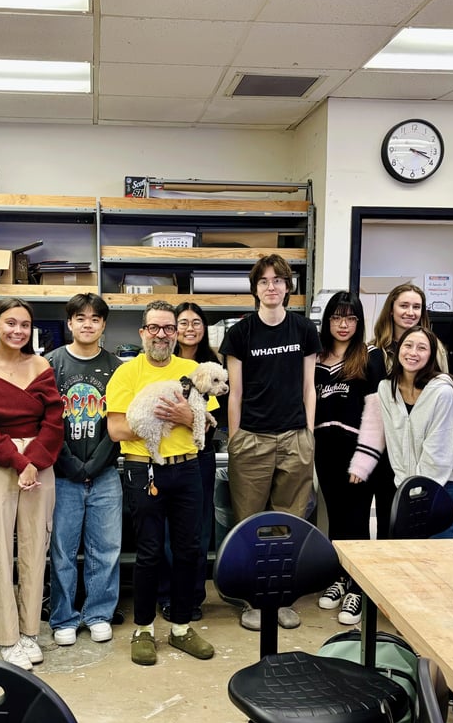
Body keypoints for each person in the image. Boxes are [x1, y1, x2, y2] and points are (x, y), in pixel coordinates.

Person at [106, 301, 218, 666]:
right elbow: (116, 428)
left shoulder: (194, 369)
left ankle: (182, 627)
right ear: (142, 333)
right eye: (154, 328)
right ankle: (144, 629)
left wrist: (186, 416)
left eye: (168, 328)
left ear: (177, 333)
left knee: (188, 550)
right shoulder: (126, 373)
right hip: (144, 470)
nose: (161, 335)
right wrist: (158, 417)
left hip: (187, 469)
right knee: (150, 552)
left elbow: (210, 422)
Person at [219, 254, 320, 631]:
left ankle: (281, 599)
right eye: (264, 281)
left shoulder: (304, 330)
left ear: (288, 287)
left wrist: (307, 433)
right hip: (252, 441)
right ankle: (254, 600)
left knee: (288, 524)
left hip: (295, 438)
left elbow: (309, 387)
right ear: (255, 289)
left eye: (278, 280)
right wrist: (237, 439)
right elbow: (235, 394)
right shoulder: (240, 333)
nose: (272, 286)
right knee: (249, 524)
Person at [0, 298, 63, 671]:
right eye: (10, 323)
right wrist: (19, 461)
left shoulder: (41, 365)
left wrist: (35, 459)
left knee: (37, 546)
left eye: (24, 324)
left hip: (41, 461)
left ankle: (30, 631)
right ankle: (6, 638)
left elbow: (54, 418)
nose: (18, 331)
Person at [46, 293, 123, 647]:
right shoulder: (51, 364)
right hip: (62, 474)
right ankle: (63, 616)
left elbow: (120, 421)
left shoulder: (117, 368)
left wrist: (97, 462)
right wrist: (70, 463)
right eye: (80, 317)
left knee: (105, 547)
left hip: (106, 472)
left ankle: (98, 613)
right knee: (62, 549)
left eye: (95, 318)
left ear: (103, 325)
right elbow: (45, 422)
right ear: (70, 323)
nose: (87, 324)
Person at [314, 291, 386, 625]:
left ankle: (359, 587)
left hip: (357, 452)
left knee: (356, 521)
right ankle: (341, 578)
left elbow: (377, 413)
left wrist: (364, 460)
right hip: (325, 451)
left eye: (351, 318)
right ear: (327, 321)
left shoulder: (371, 358)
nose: (343, 325)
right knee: (337, 521)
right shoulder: (315, 358)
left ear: (359, 322)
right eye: (337, 317)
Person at [157, 301, 224, 622]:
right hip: (166, 455)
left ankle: (193, 596)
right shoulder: (163, 365)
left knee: (196, 531)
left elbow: (212, 415)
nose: (189, 328)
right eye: (182, 322)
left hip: (201, 457)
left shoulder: (214, 366)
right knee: (167, 531)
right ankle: (168, 595)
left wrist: (191, 416)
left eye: (196, 322)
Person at [370, 282, 448, 538]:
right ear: (390, 309)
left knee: (416, 528)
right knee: (388, 522)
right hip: (385, 452)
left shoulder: (435, 349)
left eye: (416, 307)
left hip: (421, 452)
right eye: (404, 305)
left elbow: (441, 402)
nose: (410, 312)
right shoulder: (373, 352)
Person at [378, 325, 453, 539]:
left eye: (422, 348)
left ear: (431, 355)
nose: (413, 353)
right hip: (408, 483)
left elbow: (438, 449)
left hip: (445, 482)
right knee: (410, 553)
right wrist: (406, 486)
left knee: (439, 553)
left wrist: (418, 491)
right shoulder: (386, 387)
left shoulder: (442, 391)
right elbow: (394, 443)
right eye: (408, 345)